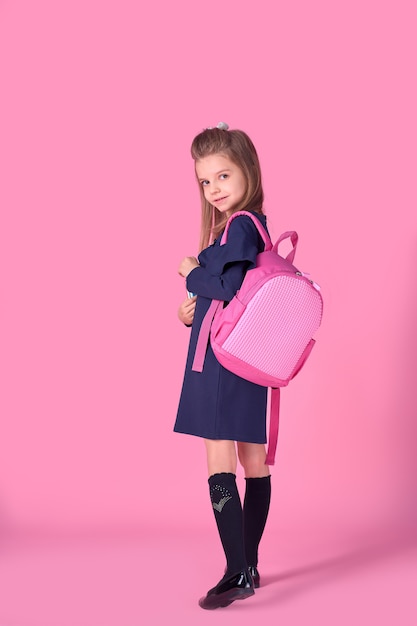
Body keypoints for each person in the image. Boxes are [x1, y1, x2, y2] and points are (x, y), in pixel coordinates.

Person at [174, 122, 271, 610]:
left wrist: (192, 271)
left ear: (247, 172)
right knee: (255, 463)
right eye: (205, 182)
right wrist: (188, 308)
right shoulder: (255, 225)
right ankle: (249, 565)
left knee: (220, 461)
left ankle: (237, 571)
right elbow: (229, 293)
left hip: (222, 363)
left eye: (223, 176)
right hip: (251, 359)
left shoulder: (239, 225)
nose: (214, 190)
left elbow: (228, 290)